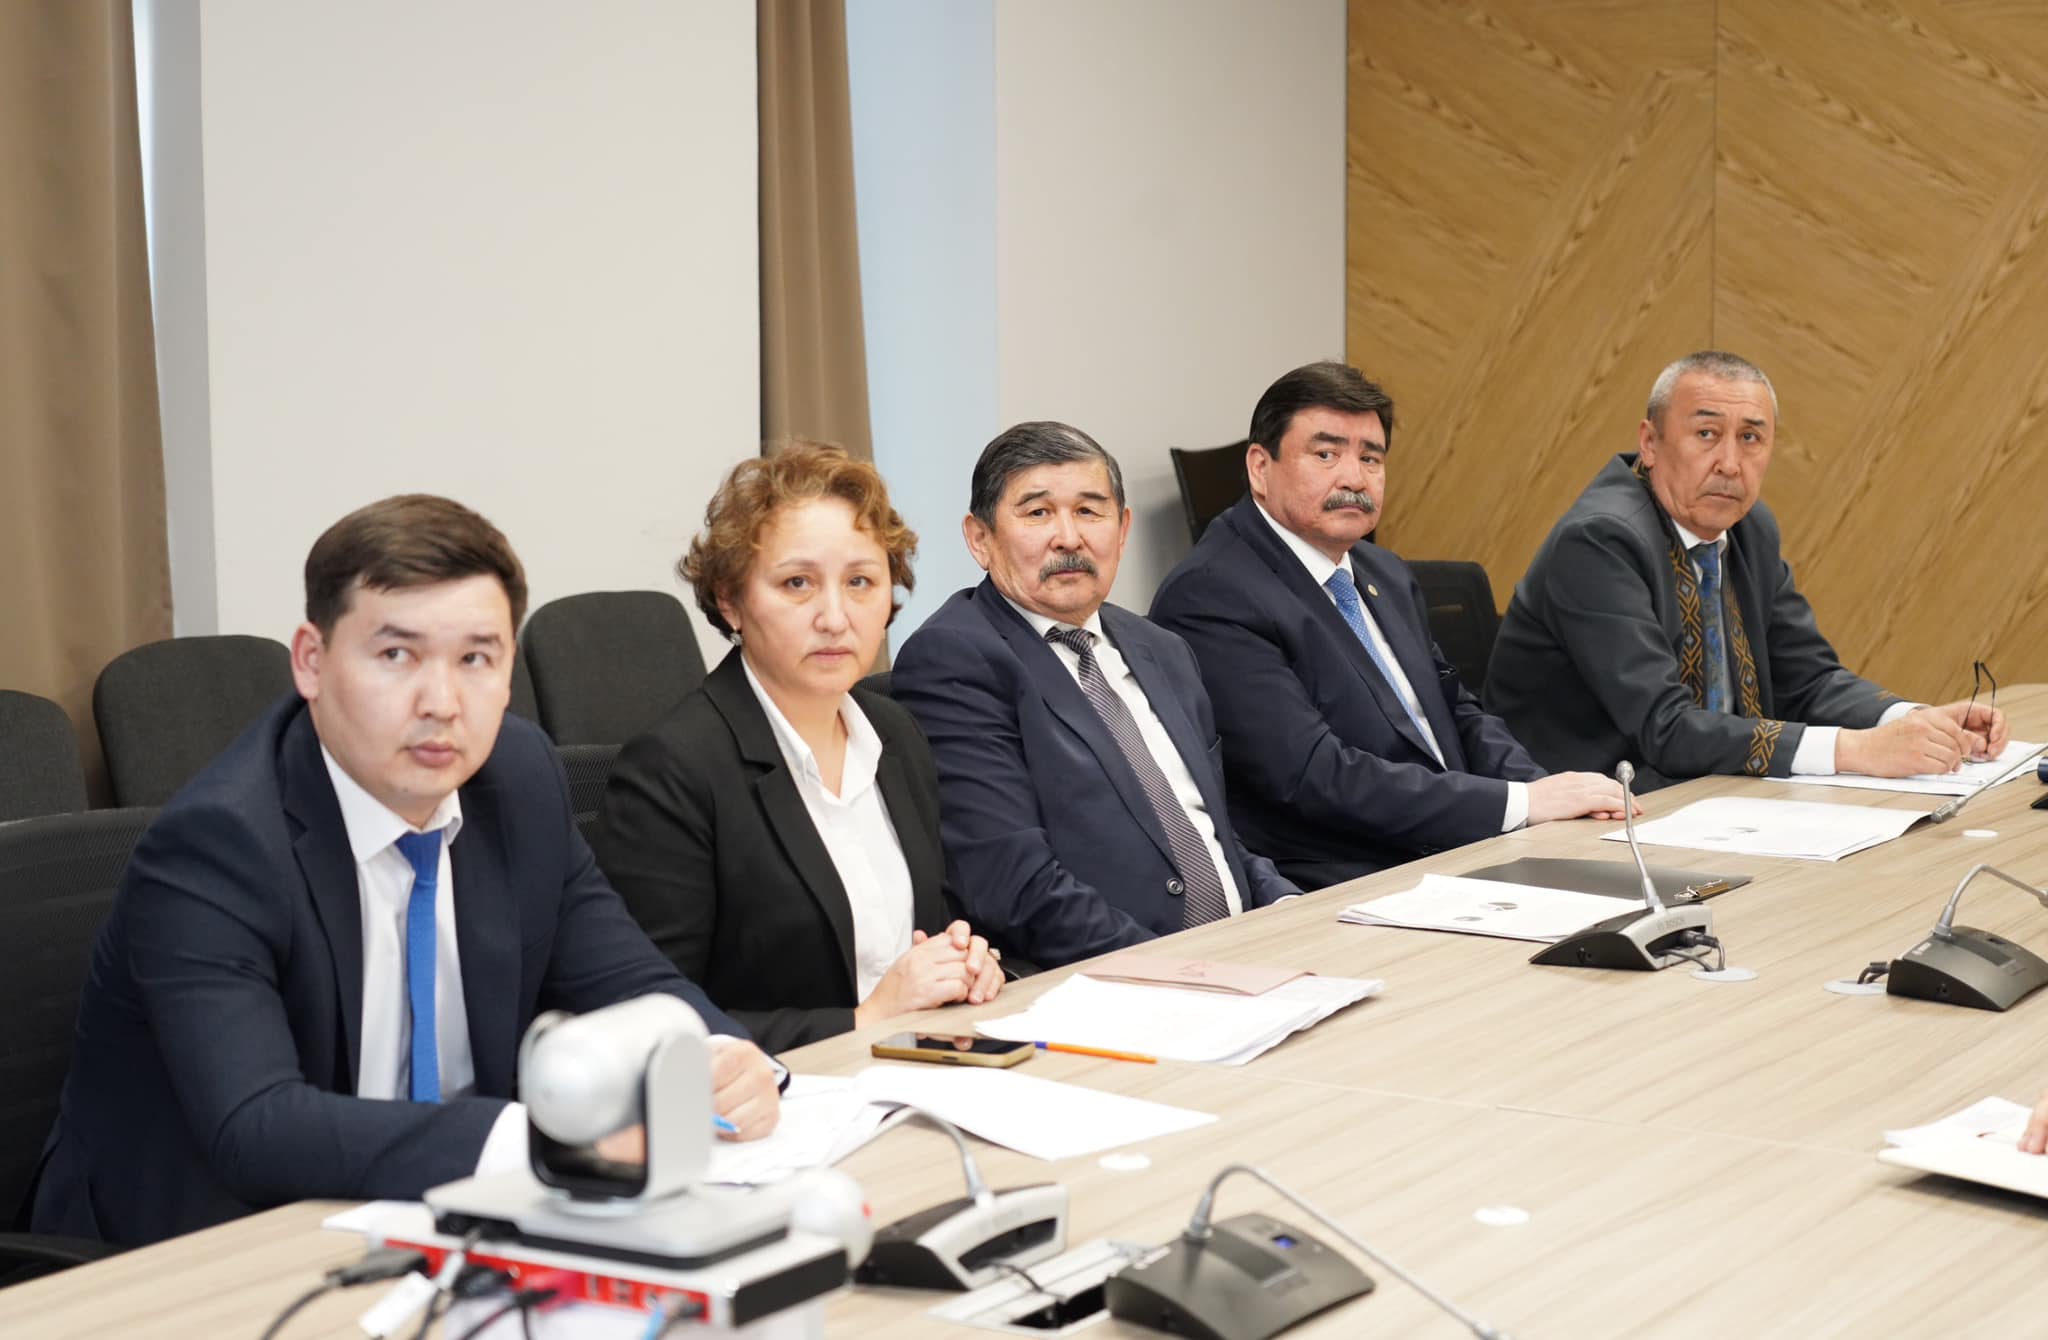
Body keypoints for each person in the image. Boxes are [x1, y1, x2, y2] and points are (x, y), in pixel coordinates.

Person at [31, 496, 780, 1249]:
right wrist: (540, 1143)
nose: (442, 703)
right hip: (202, 1245)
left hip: (443, 1218)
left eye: (476, 659)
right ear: (311, 662)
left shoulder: (516, 781)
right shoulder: (219, 844)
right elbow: (257, 1126)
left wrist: (714, 1055)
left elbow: (628, 977)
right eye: (397, 656)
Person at [1150, 361, 1628, 889]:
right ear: (1260, 468)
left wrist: (1544, 796)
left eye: (1370, 458)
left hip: (1458, 844)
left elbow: (1457, 711)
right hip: (1345, 878)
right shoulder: (1213, 594)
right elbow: (1314, 775)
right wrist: (1518, 804)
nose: (1354, 479)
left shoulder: (1384, 572)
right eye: (1326, 454)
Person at [593, 445, 1003, 1052]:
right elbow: (651, 1020)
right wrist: (864, 1020)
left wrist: (964, 962)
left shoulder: (895, 735)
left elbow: (928, 929)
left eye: (860, 582)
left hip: (922, 1067)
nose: (835, 617)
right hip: (781, 1094)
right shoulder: (672, 769)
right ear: (731, 600)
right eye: (797, 583)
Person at [1485, 350, 2007, 789]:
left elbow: (1808, 678)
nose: (1730, 464)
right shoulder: (1600, 541)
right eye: (1706, 433)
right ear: (1650, 443)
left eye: (1751, 439)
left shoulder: (1749, 529)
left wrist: (1913, 721)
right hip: (1596, 814)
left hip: (1716, 796)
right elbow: (1666, 727)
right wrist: (1857, 750)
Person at [892, 422, 1297, 968]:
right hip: (1112, 979)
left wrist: (1287, 909)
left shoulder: (1163, 649)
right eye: (1038, 513)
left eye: (1089, 511)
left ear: (1123, 529)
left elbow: (1211, 832)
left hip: (1245, 956)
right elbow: (1014, 884)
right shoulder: (954, 658)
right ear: (980, 538)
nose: (1068, 538)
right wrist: (1186, 972)